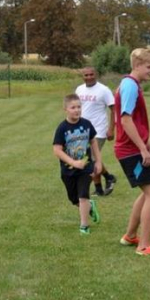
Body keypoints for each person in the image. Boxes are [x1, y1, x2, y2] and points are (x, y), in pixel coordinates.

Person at [114, 46, 150, 256]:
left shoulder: (132, 85)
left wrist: (149, 146)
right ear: (136, 65)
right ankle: (144, 246)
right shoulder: (130, 86)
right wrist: (143, 149)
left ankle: (130, 236)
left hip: (132, 148)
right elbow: (125, 120)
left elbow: (135, 121)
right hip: (130, 150)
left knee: (147, 193)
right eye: (149, 67)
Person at [53, 94, 103, 235]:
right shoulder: (62, 128)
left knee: (83, 195)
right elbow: (57, 150)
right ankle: (89, 207)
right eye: (73, 107)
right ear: (65, 109)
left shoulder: (86, 124)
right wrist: (73, 162)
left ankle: (84, 226)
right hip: (68, 170)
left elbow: (93, 141)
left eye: (79, 107)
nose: (76, 110)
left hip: (85, 168)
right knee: (74, 199)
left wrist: (98, 161)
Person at [76, 67, 118, 196]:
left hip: (99, 130)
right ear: (83, 76)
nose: (89, 77)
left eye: (91, 74)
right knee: (90, 160)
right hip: (83, 130)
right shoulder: (79, 89)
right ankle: (100, 187)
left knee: (93, 159)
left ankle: (108, 177)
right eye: (86, 75)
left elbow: (114, 109)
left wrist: (111, 129)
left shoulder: (104, 90)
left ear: (96, 75)